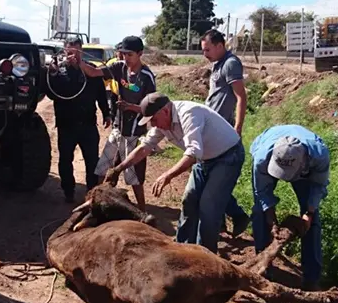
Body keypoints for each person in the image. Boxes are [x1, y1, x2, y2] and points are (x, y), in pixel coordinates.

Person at [105, 92, 244, 253]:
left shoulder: (189, 114)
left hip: (228, 156)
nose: (154, 125)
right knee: (189, 200)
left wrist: (167, 175)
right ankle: (182, 249)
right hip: (204, 158)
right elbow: (144, 148)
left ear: (164, 111)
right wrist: (119, 168)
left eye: (154, 120)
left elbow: (193, 152)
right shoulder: (162, 123)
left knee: (208, 207)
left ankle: (205, 256)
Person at [249, 124, 330, 291]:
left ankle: (311, 279)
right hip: (267, 148)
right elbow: (262, 191)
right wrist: (271, 219)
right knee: (260, 212)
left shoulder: (319, 156)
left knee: (313, 222)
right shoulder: (262, 159)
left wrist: (309, 214)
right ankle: (262, 265)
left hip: (307, 170)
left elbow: (318, 186)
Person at [45, 36, 112, 203]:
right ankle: (68, 191)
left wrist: (106, 112)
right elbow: (52, 94)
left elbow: (101, 94)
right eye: (70, 49)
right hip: (66, 125)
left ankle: (91, 192)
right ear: (65, 50)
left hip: (88, 123)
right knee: (65, 160)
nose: (73, 53)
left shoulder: (91, 71)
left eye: (76, 49)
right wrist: (52, 74)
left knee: (92, 161)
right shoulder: (58, 72)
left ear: (82, 50)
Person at [200, 29, 250, 238]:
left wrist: (237, 127)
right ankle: (220, 223)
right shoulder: (217, 64)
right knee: (209, 178)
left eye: (208, 49)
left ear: (220, 46)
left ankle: (237, 216)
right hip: (211, 128)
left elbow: (241, 97)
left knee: (212, 181)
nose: (205, 54)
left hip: (222, 130)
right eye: (203, 50)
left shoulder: (230, 63)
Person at [100, 36, 156, 211]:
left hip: (134, 133)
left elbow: (153, 109)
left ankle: (142, 212)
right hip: (118, 129)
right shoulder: (119, 67)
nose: (125, 58)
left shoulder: (146, 77)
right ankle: (99, 203)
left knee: (134, 177)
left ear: (140, 54)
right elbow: (95, 72)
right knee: (104, 168)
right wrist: (79, 62)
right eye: (123, 54)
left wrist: (131, 107)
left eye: (129, 54)